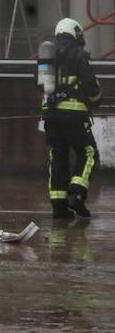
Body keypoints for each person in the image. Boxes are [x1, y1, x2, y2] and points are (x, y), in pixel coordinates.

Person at [40, 17, 101, 219]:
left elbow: (39, 84)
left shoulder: (47, 56)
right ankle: (77, 194)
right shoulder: (79, 54)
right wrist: (95, 99)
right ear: (74, 32)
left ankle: (59, 206)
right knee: (89, 153)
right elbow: (90, 83)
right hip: (75, 117)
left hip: (51, 118)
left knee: (58, 158)